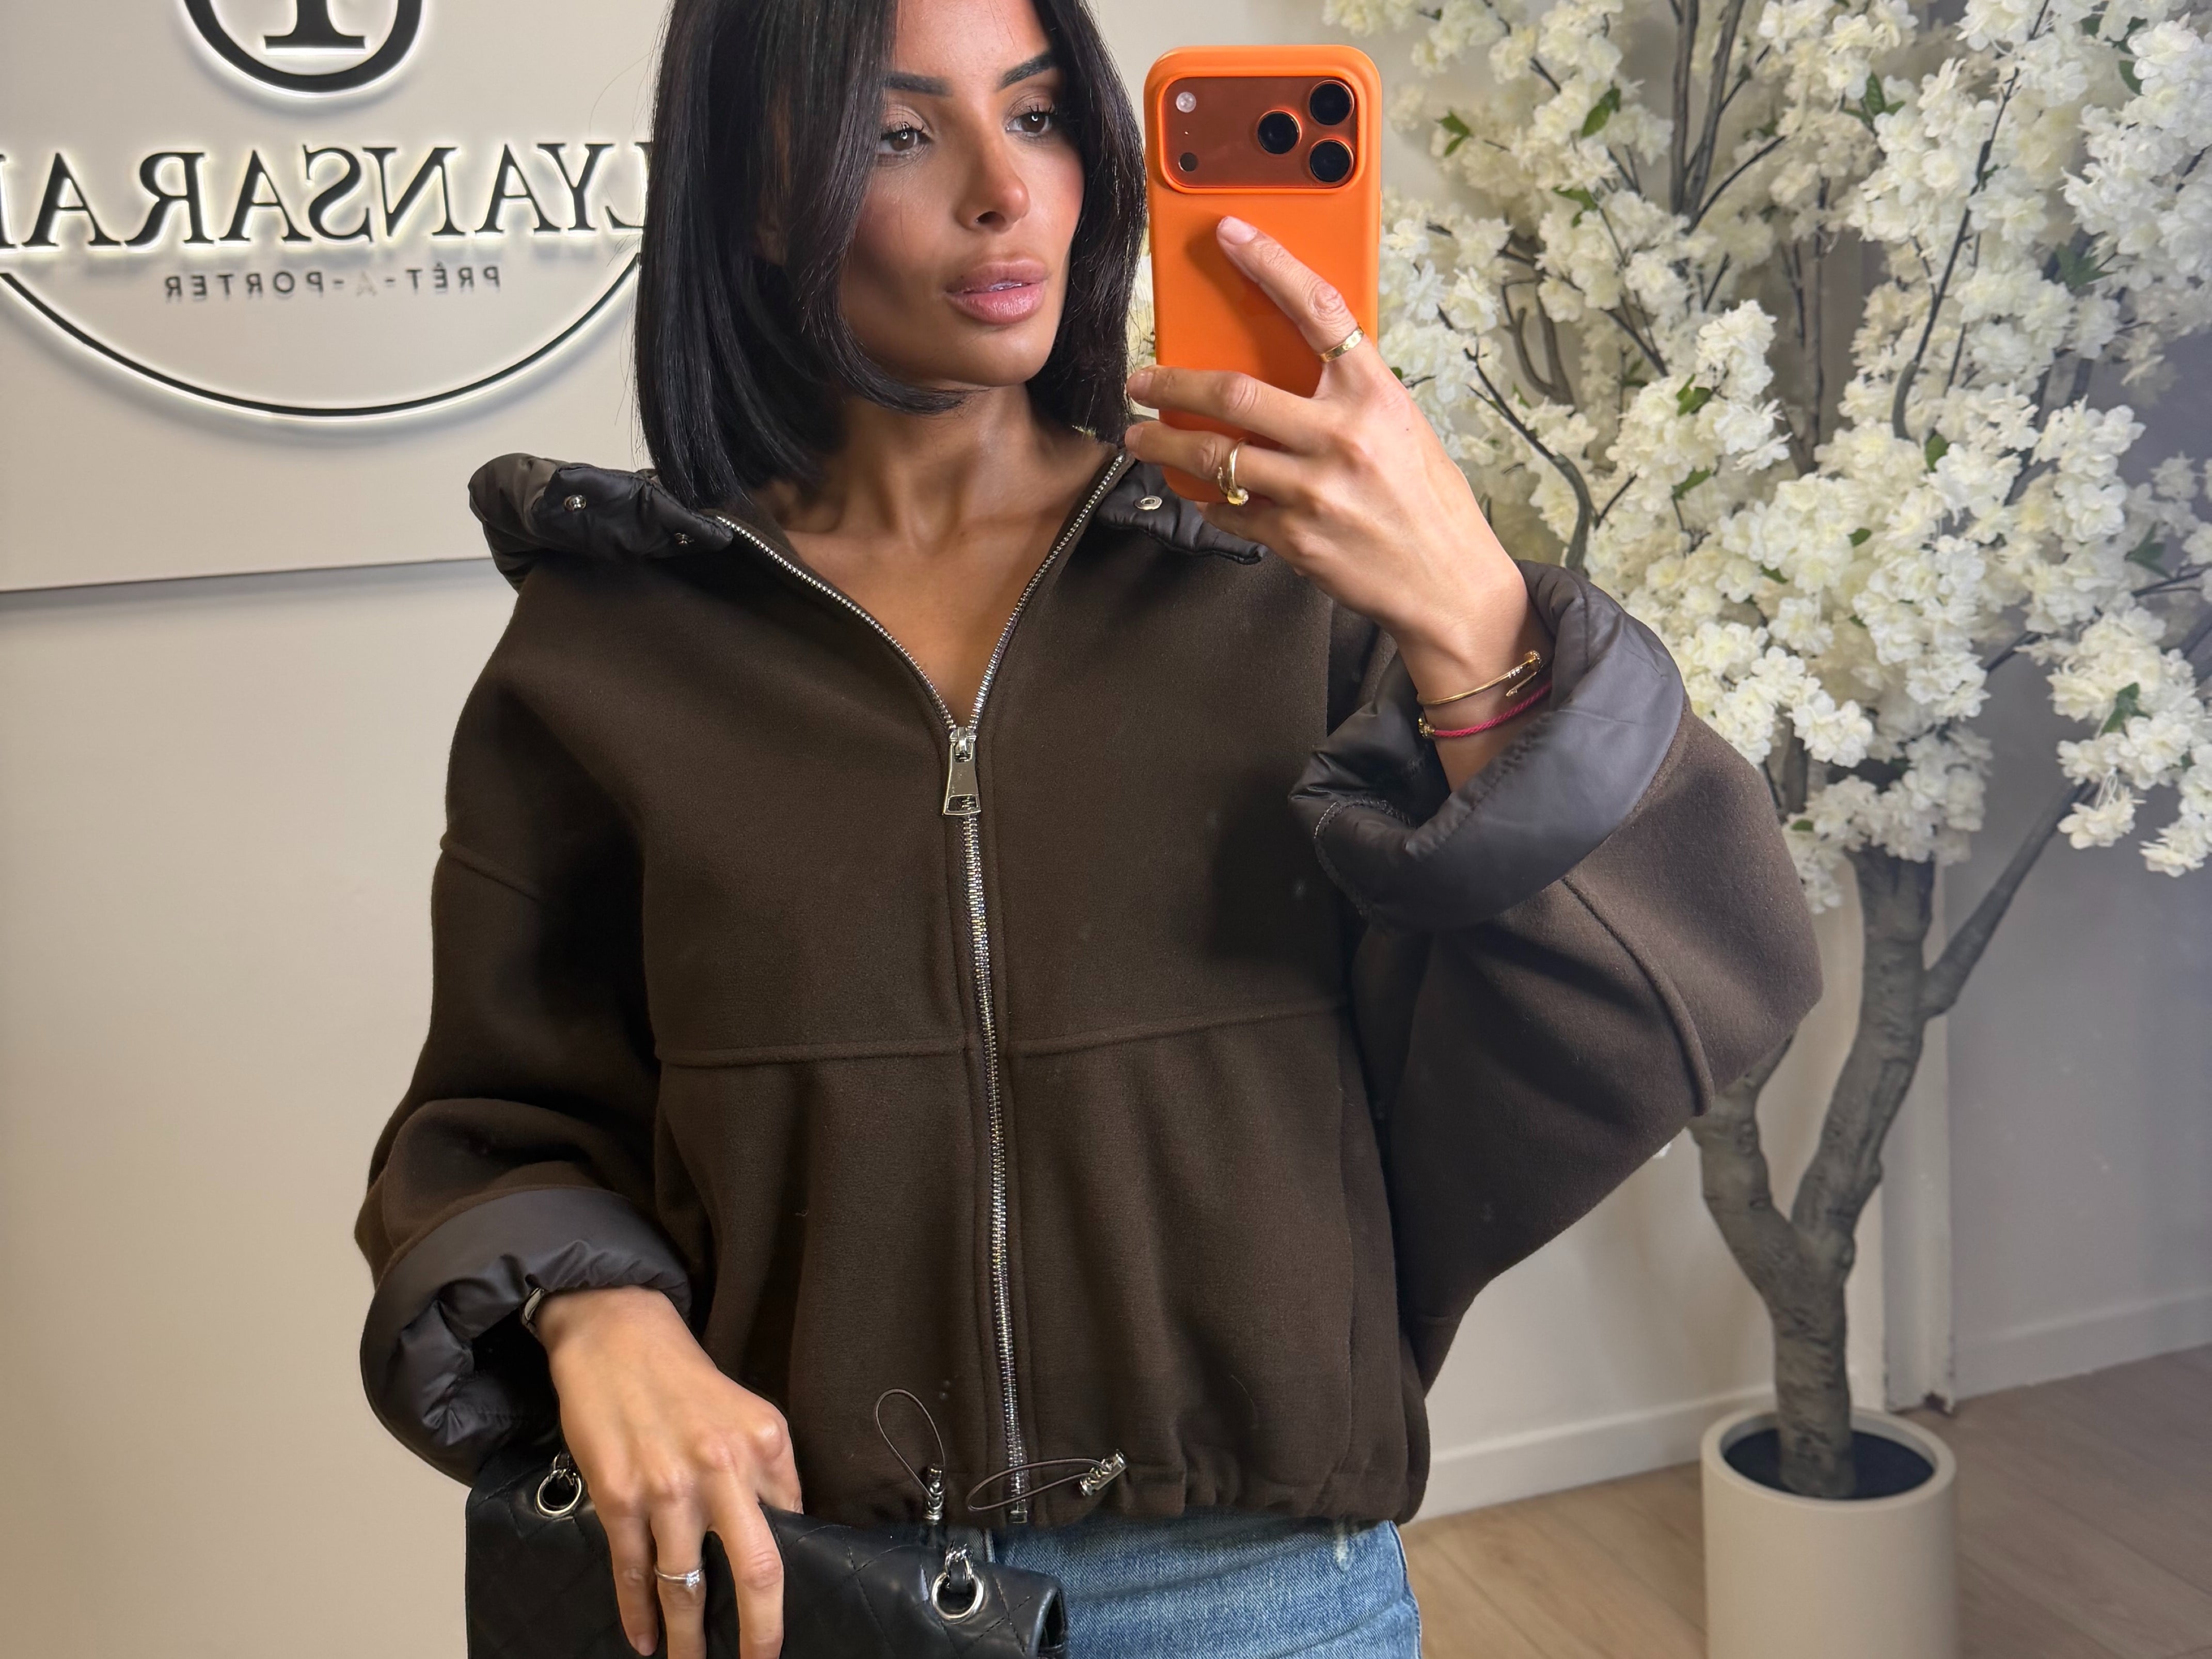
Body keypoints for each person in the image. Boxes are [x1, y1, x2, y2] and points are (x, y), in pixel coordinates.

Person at [353, 0, 1823, 1653]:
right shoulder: (612, 643)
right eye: (900, 133)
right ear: (757, 195)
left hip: (1249, 1589)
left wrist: (1476, 612)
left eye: (1043, 114)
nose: (1006, 192)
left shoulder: (1293, 580)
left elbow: (1690, 976)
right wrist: (594, 1309)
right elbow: (502, 1114)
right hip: (799, 1584)